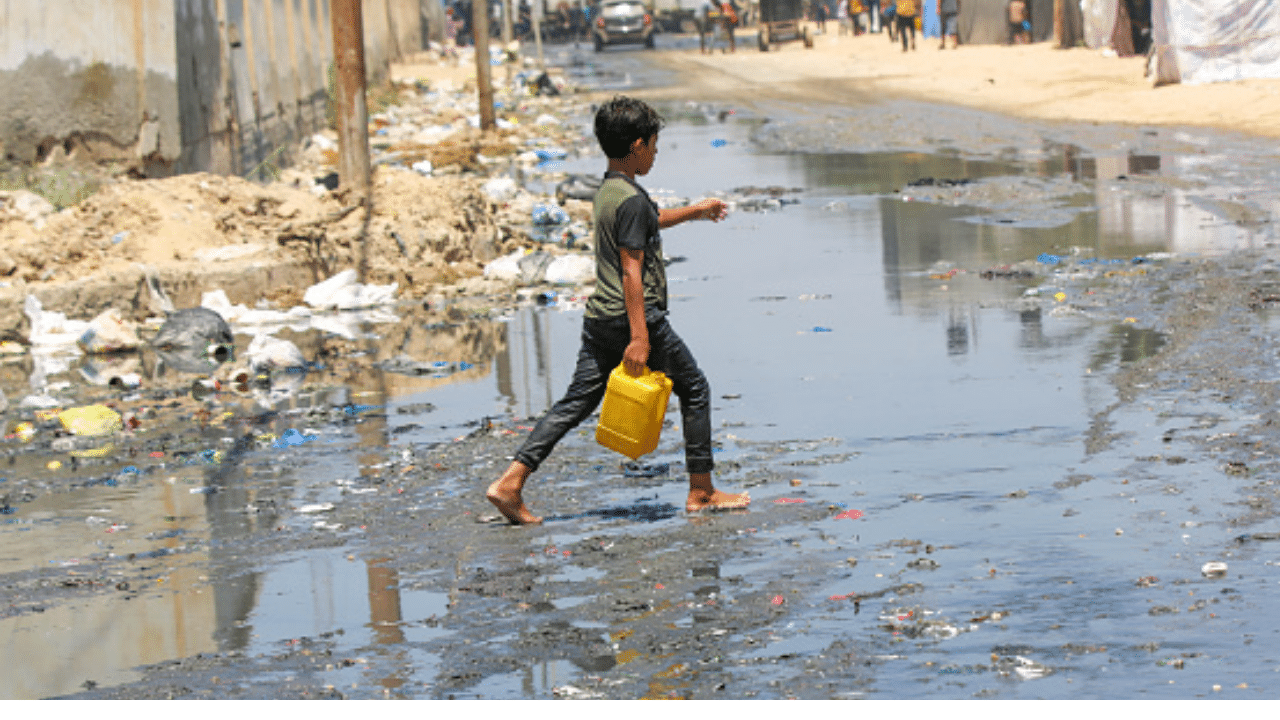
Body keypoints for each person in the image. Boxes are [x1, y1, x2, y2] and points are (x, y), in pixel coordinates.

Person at [485, 97, 751, 526]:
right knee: (695, 388)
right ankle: (701, 491)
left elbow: (651, 218)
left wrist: (696, 212)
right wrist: (641, 337)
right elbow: (632, 269)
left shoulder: (611, 191)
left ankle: (511, 483)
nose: (657, 153)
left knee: (575, 402)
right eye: (654, 146)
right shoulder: (629, 199)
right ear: (638, 144)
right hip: (632, 319)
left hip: (599, 318)